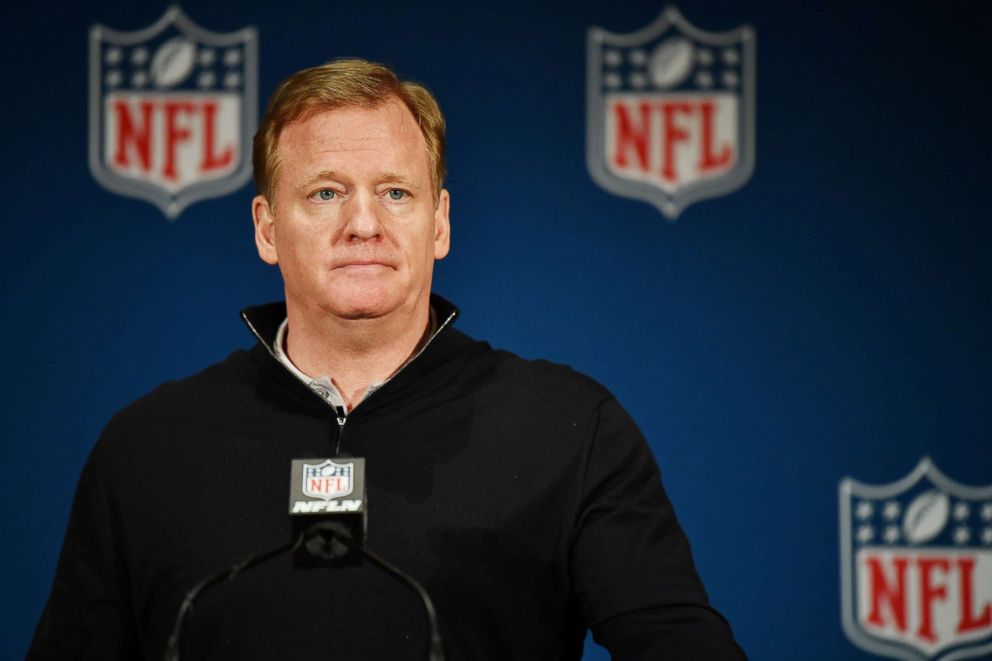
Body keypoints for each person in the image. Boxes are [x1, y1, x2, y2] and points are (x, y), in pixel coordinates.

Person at [29, 58, 745, 660]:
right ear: (266, 228)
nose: (363, 224)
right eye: (327, 191)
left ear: (439, 222)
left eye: (396, 192)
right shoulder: (149, 446)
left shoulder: (570, 428)